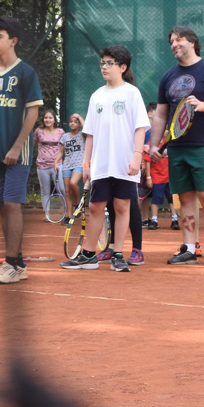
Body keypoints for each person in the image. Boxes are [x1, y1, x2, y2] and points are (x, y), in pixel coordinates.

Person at [148, 26, 204, 266]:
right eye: (171, 41)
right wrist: (154, 145)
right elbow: (161, 114)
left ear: (193, 42)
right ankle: (188, 249)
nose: (174, 44)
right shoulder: (168, 76)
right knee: (185, 198)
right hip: (177, 146)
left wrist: (203, 105)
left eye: (179, 40)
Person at [61, 46, 149, 272]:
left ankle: (118, 254)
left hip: (125, 163)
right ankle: (89, 254)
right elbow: (89, 133)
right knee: (95, 206)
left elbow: (140, 128)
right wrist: (86, 163)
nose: (104, 67)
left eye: (110, 63)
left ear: (123, 67)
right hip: (100, 163)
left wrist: (137, 156)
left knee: (121, 206)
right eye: (102, 63)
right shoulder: (96, 96)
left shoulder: (132, 93)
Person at [0, 16, 43, 284]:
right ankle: (17, 263)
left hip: (18, 152)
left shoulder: (26, 72)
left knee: (13, 204)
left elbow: (33, 112)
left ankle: (12, 263)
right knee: (2, 207)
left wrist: (17, 146)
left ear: (13, 41)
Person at [33, 110, 65, 211]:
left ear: (54, 120)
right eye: (46, 118)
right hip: (42, 166)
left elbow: (63, 149)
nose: (48, 120)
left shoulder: (61, 132)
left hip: (58, 165)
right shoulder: (38, 131)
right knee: (45, 191)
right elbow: (32, 145)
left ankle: (65, 211)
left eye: (50, 118)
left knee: (62, 188)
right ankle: (47, 214)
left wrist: (57, 162)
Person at [60, 114, 85, 211]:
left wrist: (79, 116)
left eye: (75, 122)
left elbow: (87, 128)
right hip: (66, 166)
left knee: (73, 183)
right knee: (67, 191)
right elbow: (61, 152)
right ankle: (69, 216)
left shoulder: (82, 135)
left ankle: (78, 204)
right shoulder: (64, 136)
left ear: (79, 124)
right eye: (71, 122)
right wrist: (55, 162)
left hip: (79, 165)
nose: (72, 123)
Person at [147, 140, 170, 229]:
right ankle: (154, 220)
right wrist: (148, 177)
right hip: (157, 177)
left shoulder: (169, 142)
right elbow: (147, 160)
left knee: (172, 199)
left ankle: (175, 219)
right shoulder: (151, 144)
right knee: (156, 199)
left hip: (169, 177)